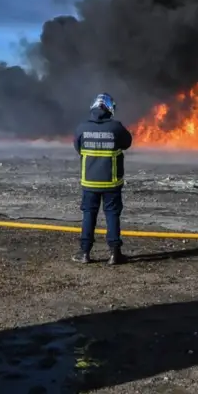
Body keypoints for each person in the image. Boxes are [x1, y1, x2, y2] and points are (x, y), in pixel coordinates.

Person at [72, 92, 133, 265]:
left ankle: (85, 253)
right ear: (109, 108)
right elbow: (127, 143)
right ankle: (114, 254)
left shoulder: (82, 128)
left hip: (89, 181)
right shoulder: (116, 127)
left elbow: (78, 148)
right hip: (111, 181)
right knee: (112, 215)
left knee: (88, 215)